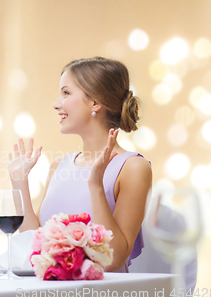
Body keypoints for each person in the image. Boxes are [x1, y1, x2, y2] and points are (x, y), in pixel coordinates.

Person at [8, 57, 152, 272]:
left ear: (95, 102)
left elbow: (113, 260)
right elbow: (34, 244)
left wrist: (95, 185)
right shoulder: (59, 166)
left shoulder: (133, 168)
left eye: (66, 93)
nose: (57, 104)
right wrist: (19, 183)